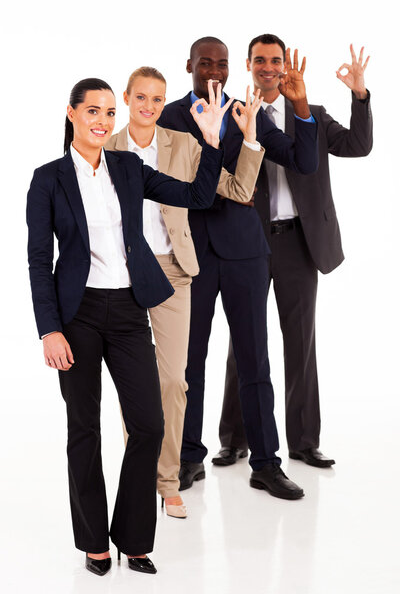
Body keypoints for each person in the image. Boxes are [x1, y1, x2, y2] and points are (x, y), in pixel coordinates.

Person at [26, 77, 228, 576]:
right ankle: (94, 542)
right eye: (93, 111)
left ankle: (134, 538)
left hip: (128, 311)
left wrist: (211, 139)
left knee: (150, 424)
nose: (102, 120)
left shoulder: (127, 166)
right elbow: (37, 261)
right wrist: (48, 330)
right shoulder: (47, 179)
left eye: (109, 112)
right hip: (77, 316)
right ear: (71, 114)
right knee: (84, 429)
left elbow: (197, 196)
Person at [158, 36, 318, 500]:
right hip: (193, 254)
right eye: (206, 62)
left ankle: (266, 464)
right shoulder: (169, 118)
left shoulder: (246, 111)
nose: (214, 70)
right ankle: (189, 457)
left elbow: (304, 160)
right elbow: (185, 187)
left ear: (232, 69)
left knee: (254, 359)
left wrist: (299, 106)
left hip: (247, 253)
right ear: (189, 64)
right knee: (190, 362)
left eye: (222, 64)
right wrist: (233, 184)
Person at [105, 67, 264, 518]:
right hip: (122, 274)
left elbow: (237, 188)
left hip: (174, 271)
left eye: (157, 100)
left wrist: (248, 139)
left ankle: (167, 478)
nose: (149, 107)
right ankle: (141, 477)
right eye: (141, 98)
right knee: (132, 387)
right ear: (128, 97)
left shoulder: (183, 144)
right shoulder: (106, 146)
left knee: (175, 380)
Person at [214, 35, 373, 469]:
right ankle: (235, 438)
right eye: (260, 60)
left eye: (275, 61)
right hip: (247, 242)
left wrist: (359, 94)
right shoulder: (233, 114)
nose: (268, 67)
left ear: (285, 67)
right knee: (243, 341)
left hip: (299, 244)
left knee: (300, 343)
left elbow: (358, 146)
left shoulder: (312, 115)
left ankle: (304, 442)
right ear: (248, 65)